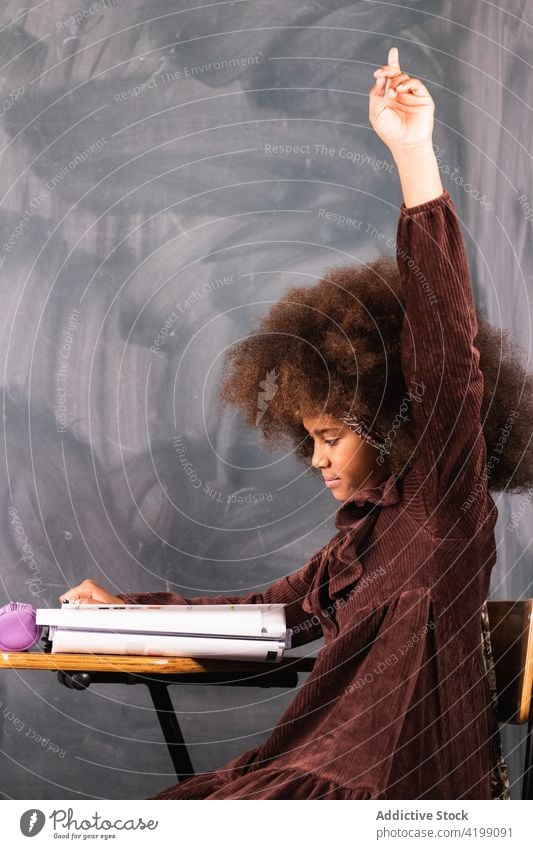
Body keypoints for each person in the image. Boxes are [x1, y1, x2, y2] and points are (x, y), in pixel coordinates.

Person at [60, 47, 531, 799]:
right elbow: (266, 615)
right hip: (310, 772)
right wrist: (123, 612)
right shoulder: (357, 544)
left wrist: (413, 154)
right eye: (307, 437)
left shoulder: (445, 502)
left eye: (329, 436)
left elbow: (446, 354)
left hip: (389, 793)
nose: (314, 458)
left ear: (386, 423)